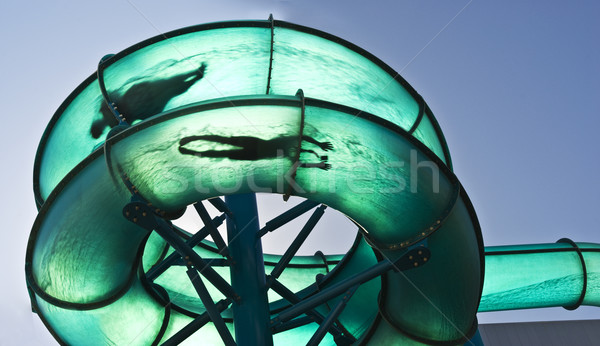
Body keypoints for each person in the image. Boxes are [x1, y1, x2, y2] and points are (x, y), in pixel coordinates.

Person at [91, 63, 207, 138]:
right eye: (100, 131)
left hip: (139, 95)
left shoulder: (104, 106)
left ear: (96, 126)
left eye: (98, 130)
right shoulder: (115, 125)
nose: (101, 128)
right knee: (171, 91)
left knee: (169, 84)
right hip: (144, 107)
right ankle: (195, 77)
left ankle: (195, 73)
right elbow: (129, 127)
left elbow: (114, 94)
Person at [178, 134, 333, 170]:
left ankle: (193, 152)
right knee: (224, 140)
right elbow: (303, 136)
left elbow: (300, 165)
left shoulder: (290, 154)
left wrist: (318, 164)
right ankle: (195, 137)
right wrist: (319, 143)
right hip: (255, 144)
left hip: (254, 154)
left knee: (223, 152)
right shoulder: (291, 142)